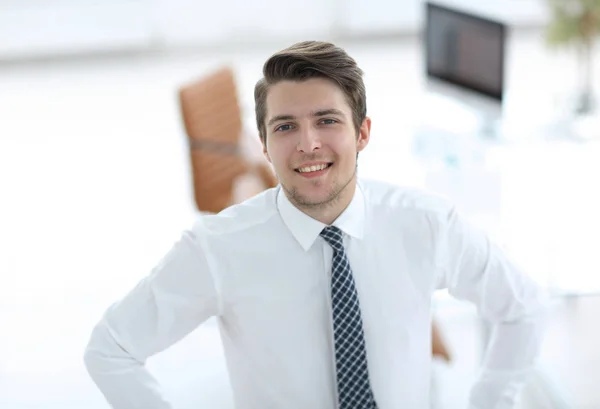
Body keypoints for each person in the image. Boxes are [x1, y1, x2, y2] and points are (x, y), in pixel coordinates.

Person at [84, 41, 548, 409]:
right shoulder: (217, 249)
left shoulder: (426, 224)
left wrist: (492, 400)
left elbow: (522, 305)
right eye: (285, 127)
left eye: (326, 121)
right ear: (263, 143)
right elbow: (111, 349)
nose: (308, 144)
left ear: (362, 132)